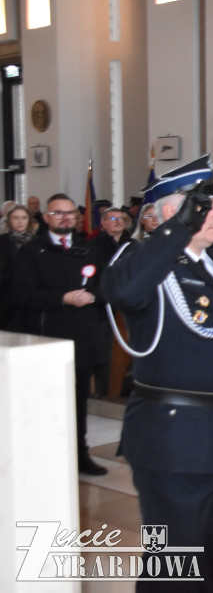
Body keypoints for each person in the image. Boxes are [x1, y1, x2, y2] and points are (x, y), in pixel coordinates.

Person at [102, 156, 213, 591]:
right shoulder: (145, 261)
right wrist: (175, 230)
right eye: (207, 205)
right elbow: (121, 290)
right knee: (173, 563)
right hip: (177, 439)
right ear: (174, 212)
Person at [13, 193, 110, 476]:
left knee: (79, 401)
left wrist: (92, 295)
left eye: (70, 213)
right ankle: (44, 456)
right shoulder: (32, 251)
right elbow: (22, 294)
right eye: (58, 213)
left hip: (83, 339)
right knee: (47, 403)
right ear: (46, 217)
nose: (65, 217)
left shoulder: (89, 249)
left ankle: (80, 455)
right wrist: (62, 298)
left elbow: (106, 286)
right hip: (48, 339)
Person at [87, 206, 135, 399]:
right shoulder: (94, 245)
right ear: (103, 223)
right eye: (112, 219)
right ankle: (106, 389)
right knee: (106, 349)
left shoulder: (133, 245)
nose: (117, 222)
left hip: (128, 304)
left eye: (121, 219)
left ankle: (128, 387)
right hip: (103, 305)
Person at [0, 204, 37, 329]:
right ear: (9, 220)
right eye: (16, 218)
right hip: (6, 296)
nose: (20, 221)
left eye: (24, 218)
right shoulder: (2, 241)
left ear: (29, 220)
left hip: (32, 295)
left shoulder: (38, 242)